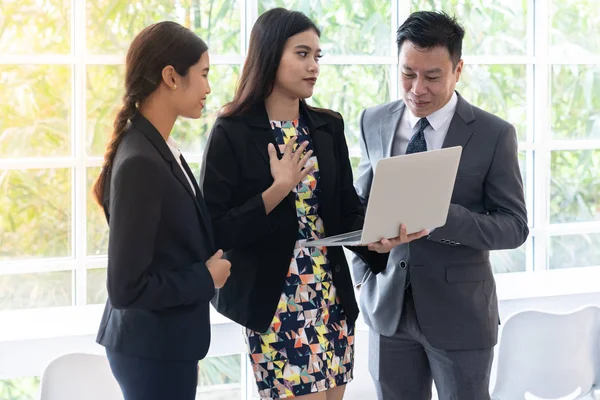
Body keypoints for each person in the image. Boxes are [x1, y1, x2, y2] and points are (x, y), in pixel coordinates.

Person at [200, 8, 426, 400]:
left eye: (317, 56)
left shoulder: (327, 125)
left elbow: (345, 210)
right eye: (301, 54)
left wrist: (374, 239)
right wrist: (278, 189)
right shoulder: (232, 131)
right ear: (270, 55)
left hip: (330, 294)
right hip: (275, 301)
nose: (313, 66)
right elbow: (216, 229)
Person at [351, 11, 529, 400]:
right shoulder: (373, 121)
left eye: (432, 76)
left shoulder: (493, 134)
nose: (417, 88)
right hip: (388, 311)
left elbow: (514, 226)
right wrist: (364, 270)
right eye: (407, 73)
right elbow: (360, 207)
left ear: (458, 69)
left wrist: (441, 216)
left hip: (461, 316)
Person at [92, 21, 231, 400]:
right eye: (203, 74)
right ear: (171, 76)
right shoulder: (141, 160)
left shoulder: (158, 146)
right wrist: (206, 279)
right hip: (150, 350)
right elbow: (125, 288)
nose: (208, 87)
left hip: (161, 345)